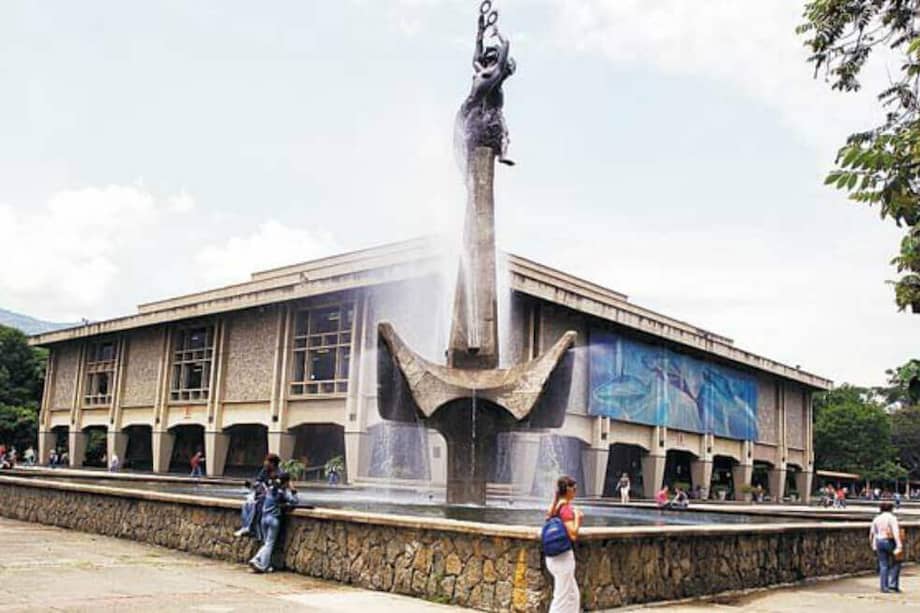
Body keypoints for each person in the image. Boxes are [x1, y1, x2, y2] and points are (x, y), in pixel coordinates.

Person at [544, 475, 582, 612]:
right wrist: (577, 517)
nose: (576, 492)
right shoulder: (566, 509)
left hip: (552, 557)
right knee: (561, 598)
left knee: (573, 596)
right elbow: (573, 534)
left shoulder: (555, 507)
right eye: (575, 489)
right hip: (563, 558)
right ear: (569, 490)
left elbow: (548, 517)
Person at [249, 472, 298, 573]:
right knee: (269, 544)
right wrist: (293, 490)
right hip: (273, 520)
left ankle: (263, 564)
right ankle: (259, 563)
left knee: (266, 543)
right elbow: (295, 501)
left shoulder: (270, 489)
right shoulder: (283, 492)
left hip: (264, 519)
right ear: (287, 482)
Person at [235, 453, 283, 538]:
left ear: (272, 463)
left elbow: (276, 489)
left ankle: (251, 528)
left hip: (272, 498)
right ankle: (245, 526)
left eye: (267, 462)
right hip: (262, 494)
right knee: (246, 504)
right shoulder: (265, 470)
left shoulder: (279, 474)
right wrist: (253, 485)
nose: (265, 463)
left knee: (256, 505)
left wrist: (266, 491)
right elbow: (259, 481)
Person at [870, 501, 903, 593]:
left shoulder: (877, 518)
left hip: (879, 541)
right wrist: (899, 545)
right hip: (889, 541)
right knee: (896, 562)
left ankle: (884, 587)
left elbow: (872, 533)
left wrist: (873, 544)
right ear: (891, 509)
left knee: (883, 565)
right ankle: (893, 584)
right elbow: (895, 532)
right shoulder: (892, 518)